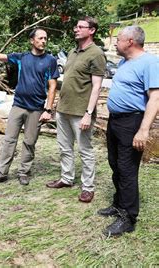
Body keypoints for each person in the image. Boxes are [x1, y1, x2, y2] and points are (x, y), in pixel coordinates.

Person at [0, 28, 59, 185]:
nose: (43, 41)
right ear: (32, 40)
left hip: (37, 108)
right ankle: (1, 173)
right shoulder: (22, 58)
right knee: (9, 140)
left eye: (45, 38)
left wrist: (48, 109)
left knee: (29, 141)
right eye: (40, 38)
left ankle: (24, 172)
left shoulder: (50, 61)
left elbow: (52, 86)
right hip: (18, 105)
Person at [99, 26, 159, 236]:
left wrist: (143, 130)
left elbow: (155, 98)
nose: (115, 43)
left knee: (127, 169)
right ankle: (118, 204)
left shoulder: (150, 63)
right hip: (115, 121)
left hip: (131, 122)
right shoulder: (125, 62)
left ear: (130, 41)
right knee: (114, 163)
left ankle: (128, 217)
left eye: (118, 39)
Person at [46, 16, 106, 203]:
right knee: (65, 147)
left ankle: (88, 187)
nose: (76, 29)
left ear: (92, 30)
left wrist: (89, 114)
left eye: (81, 26)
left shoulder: (96, 53)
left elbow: (96, 87)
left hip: (81, 112)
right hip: (64, 109)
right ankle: (67, 178)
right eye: (76, 26)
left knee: (85, 150)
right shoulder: (72, 51)